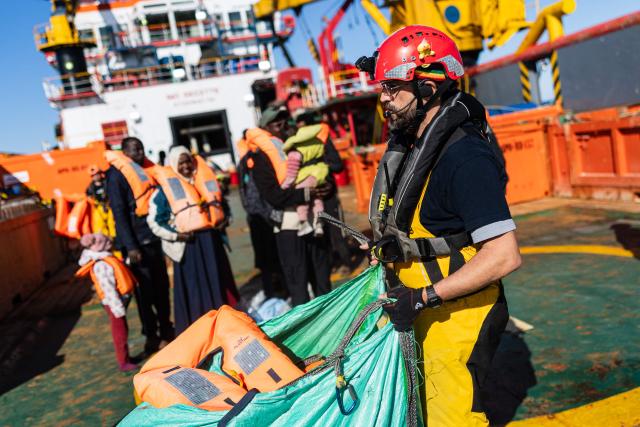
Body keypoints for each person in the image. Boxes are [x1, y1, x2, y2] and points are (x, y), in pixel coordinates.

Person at [356, 26, 522, 426]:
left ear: (428, 88)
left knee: (453, 416)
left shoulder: (465, 157)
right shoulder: (414, 142)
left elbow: (504, 256)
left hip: (459, 317)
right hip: (421, 309)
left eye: (392, 88)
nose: (383, 99)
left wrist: (423, 297)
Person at [245, 106, 332, 306]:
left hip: (315, 222)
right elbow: (273, 195)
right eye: (277, 122)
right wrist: (307, 193)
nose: (283, 125)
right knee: (297, 281)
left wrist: (328, 187)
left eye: (286, 120)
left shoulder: (303, 145)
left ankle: (331, 320)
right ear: (266, 127)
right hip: (289, 227)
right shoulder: (261, 157)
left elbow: (322, 168)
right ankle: (306, 329)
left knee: (322, 277)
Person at [147, 146, 240, 334]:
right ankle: (202, 330)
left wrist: (224, 221)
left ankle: (225, 323)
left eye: (188, 161)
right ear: (173, 165)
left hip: (211, 243)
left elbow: (223, 207)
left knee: (218, 283)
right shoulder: (164, 191)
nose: (186, 166)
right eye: (180, 163)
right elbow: (155, 221)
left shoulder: (204, 180)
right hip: (188, 245)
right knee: (195, 289)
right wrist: (177, 234)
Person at [105, 137, 174, 354]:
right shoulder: (116, 176)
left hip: (153, 238)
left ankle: (166, 328)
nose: (140, 152)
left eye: (141, 148)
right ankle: (151, 335)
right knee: (145, 293)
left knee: (162, 287)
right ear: (124, 152)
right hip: (137, 246)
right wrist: (131, 246)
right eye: (134, 149)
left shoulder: (145, 170)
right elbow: (119, 214)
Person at [76, 233, 137, 371]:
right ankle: (123, 361)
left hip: (117, 302)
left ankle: (126, 357)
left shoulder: (105, 258)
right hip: (113, 303)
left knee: (123, 329)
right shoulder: (101, 265)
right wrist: (117, 308)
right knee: (119, 332)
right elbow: (108, 288)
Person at [237, 135, 286, 299]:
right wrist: (260, 213)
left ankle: (282, 289)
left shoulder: (263, 157)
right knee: (266, 260)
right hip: (258, 218)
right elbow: (244, 193)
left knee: (277, 256)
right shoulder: (245, 162)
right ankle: (270, 292)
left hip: (266, 215)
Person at [281, 124, 329, 236]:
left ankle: (304, 223)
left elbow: (292, 174)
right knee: (317, 199)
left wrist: (285, 186)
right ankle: (319, 223)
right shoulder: (315, 142)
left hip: (305, 177)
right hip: (320, 174)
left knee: (302, 200)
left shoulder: (295, 152)